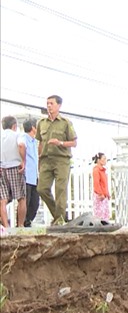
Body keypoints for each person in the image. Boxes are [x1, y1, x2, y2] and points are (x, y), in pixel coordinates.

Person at [36, 95, 77, 225]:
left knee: (60, 190)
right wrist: (39, 160)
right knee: (41, 189)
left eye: (51, 103)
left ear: (58, 106)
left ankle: (58, 220)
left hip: (61, 160)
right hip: (46, 160)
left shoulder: (65, 123)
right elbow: (40, 143)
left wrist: (60, 142)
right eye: (47, 103)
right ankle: (59, 216)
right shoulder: (41, 123)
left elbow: (74, 143)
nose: (49, 106)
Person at [0, 115, 27, 228]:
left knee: (3, 200)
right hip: (15, 167)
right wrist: (23, 161)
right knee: (21, 198)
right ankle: (20, 225)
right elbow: (21, 146)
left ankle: (6, 226)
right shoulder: (18, 135)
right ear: (14, 126)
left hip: (2, 168)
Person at [22, 119, 40, 227]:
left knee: (35, 202)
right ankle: (22, 222)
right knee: (25, 201)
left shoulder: (34, 141)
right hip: (26, 175)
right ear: (33, 128)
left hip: (34, 176)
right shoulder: (23, 138)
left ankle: (28, 221)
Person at [91, 152, 110, 220]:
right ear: (99, 160)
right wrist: (100, 193)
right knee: (99, 214)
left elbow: (104, 184)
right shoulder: (96, 170)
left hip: (104, 195)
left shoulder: (102, 171)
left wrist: (107, 193)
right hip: (100, 195)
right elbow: (96, 183)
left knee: (105, 213)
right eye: (104, 159)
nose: (105, 160)